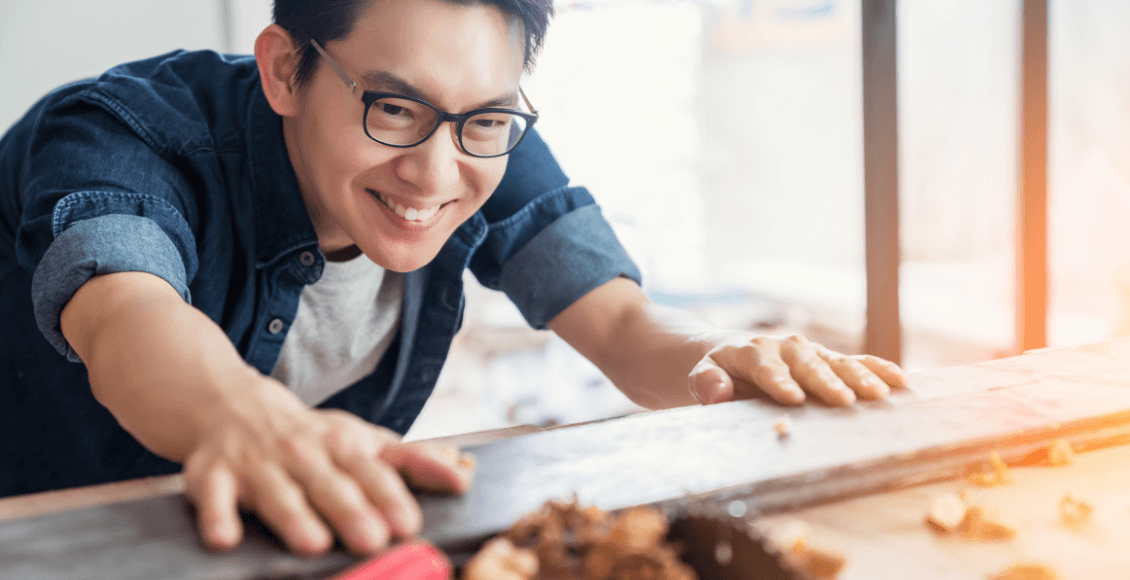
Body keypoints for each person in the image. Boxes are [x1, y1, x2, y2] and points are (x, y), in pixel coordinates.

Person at [0, 0, 906, 558]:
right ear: (285, 68)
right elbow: (123, 315)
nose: (436, 177)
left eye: (484, 118)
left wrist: (730, 354)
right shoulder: (123, 134)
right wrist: (248, 419)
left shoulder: (482, 138)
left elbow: (624, 328)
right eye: (394, 109)